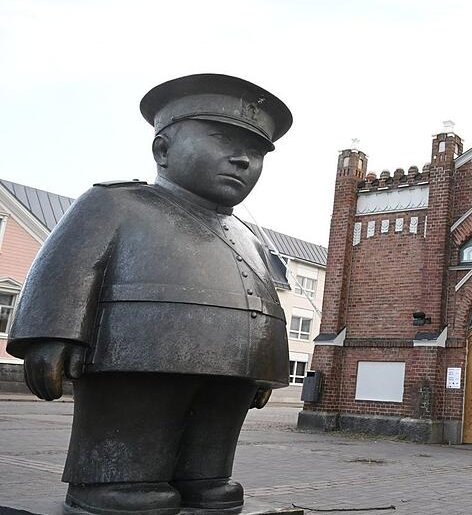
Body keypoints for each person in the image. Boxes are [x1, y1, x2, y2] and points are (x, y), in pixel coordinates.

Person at [7, 73, 294, 514]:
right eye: (224, 142)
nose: (242, 161)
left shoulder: (249, 236)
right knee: (135, 438)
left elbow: (263, 298)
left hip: (232, 366)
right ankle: (117, 480)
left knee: (212, 450)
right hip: (136, 354)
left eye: (255, 153)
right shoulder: (116, 202)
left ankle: (204, 477)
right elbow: (64, 269)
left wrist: (263, 366)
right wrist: (50, 334)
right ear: (163, 149)